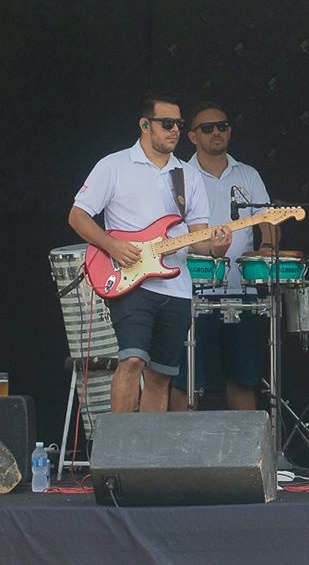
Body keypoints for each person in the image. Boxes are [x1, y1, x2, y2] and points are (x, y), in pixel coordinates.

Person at [69, 93, 231, 413]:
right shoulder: (113, 165)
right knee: (131, 360)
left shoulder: (188, 175)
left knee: (161, 376)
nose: (174, 130)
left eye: (179, 125)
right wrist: (111, 244)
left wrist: (216, 247)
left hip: (176, 285)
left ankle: (146, 459)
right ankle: (119, 452)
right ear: (145, 125)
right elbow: (78, 216)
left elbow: (197, 238)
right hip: (132, 282)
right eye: (167, 123)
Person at [169, 102, 276, 412]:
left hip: (241, 290)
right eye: (208, 128)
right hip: (189, 290)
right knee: (184, 380)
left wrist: (267, 247)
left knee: (243, 379)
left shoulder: (248, 174)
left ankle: (246, 458)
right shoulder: (179, 175)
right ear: (191, 136)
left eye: (223, 126)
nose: (217, 132)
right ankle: (179, 456)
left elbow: (267, 219)